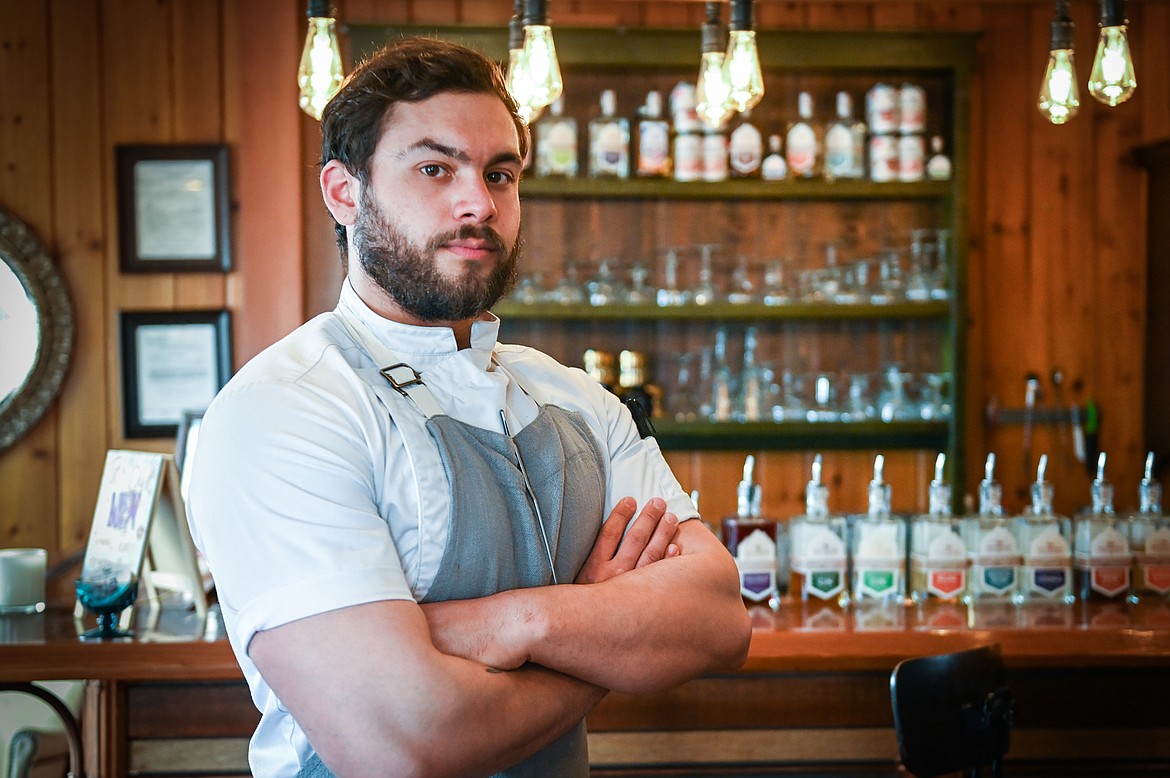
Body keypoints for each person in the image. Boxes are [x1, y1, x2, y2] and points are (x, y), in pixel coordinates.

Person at [187, 36, 751, 778]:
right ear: (343, 191)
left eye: (500, 173)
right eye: (434, 168)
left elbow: (717, 620)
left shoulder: (578, 399)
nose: (479, 203)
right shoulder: (283, 411)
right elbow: (404, 744)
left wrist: (515, 621)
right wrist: (604, 628)